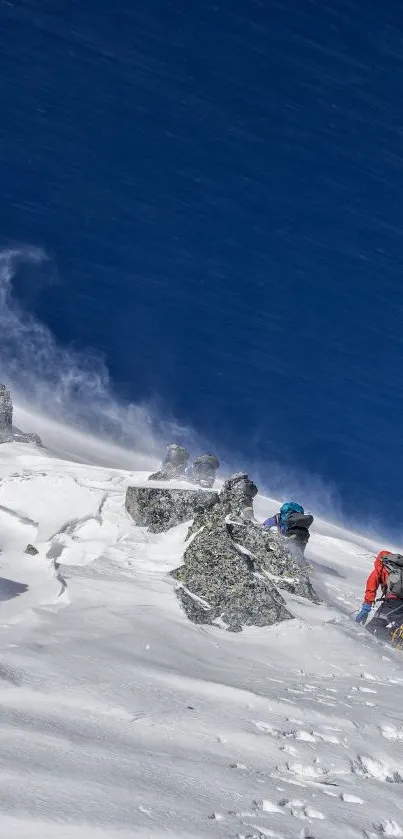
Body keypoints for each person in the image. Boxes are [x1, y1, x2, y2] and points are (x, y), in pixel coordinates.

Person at [355, 550, 403, 641]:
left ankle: (383, 646)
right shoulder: (399, 568)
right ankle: (396, 643)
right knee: (394, 628)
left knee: (373, 628)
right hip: (400, 606)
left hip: (392, 602)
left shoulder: (381, 567)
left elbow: (371, 587)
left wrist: (366, 607)